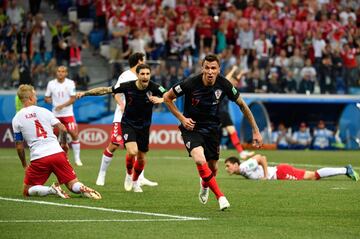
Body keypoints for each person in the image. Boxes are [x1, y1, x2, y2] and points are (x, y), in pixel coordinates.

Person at [163, 54, 263, 211]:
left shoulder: (224, 84)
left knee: (213, 167)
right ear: (202, 68)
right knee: (199, 159)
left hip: (212, 129)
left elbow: (242, 105)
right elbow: (167, 97)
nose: (210, 71)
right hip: (192, 127)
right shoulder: (190, 83)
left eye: (213, 68)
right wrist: (182, 118)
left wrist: (256, 131)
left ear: (219, 70)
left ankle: (205, 184)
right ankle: (221, 197)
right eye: (207, 68)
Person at [77, 64, 166, 192]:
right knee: (132, 151)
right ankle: (129, 174)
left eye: (147, 74)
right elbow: (106, 90)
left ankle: (135, 182)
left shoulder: (155, 87)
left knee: (141, 158)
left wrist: (161, 99)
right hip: (128, 124)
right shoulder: (127, 86)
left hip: (144, 127)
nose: (145, 76)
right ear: (138, 75)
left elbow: (170, 95)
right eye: (142, 74)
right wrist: (85, 93)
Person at [12, 84, 101, 199]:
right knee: (72, 183)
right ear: (30, 98)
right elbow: (63, 128)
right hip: (57, 153)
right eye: (34, 95)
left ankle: (51, 189)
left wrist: (25, 165)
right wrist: (63, 144)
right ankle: (81, 188)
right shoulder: (45, 111)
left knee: (27, 189)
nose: (36, 97)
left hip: (39, 158)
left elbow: (19, 147)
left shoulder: (17, 118)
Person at [92, 52, 158, 188]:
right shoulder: (126, 76)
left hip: (138, 118)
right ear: (139, 61)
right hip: (122, 116)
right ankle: (102, 173)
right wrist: (120, 104)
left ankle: (139, 178)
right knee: (115, 143)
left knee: (138, 150)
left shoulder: (144, 76)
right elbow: (115, 92)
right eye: (143, 60)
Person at [45, 66, 82, 166]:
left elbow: (73, 99)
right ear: (56, 72)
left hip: (68, 114)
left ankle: (77, 159)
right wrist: (48, 100)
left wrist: (61, 106)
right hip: (55, 115)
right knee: (53, 136)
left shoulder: (70, 83)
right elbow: (47, 97)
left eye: (63, 71)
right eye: (59, 71)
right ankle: (54, 158)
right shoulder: (51, 84)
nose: (60, 73)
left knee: (74, 134)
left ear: (66, 73)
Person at [224, 154, 359, 181]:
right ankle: (345, 170)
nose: (226, 168)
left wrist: (265, 176)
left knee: (313, 176)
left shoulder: (244, 167)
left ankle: (345, 170)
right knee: (312, 176)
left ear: (236, 164)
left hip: (280, 173)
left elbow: (261, 157)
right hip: (280, 173)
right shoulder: (242, 170)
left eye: (228, 165)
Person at [224, 65, 254, 159]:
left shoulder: (230, 89)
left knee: (232, 132)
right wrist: (233, 69)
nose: (237, 84)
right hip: (217, 111)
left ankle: (241, 152)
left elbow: (234, 79)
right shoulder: (223, 85)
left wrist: (241, 73)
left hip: (223, 112)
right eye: (235, 82)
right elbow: (227, 79)